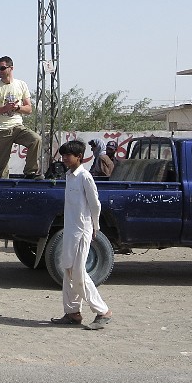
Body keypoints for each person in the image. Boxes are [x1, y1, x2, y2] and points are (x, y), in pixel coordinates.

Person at [51, 140, 112, 329]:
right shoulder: (69, 176)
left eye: (68, 155)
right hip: (70, 231)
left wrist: (95, 226)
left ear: (79, 157)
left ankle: (102, 311)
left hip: (82, 231)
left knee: (77, 273)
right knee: (67, 271)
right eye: (63, 155)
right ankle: (72, 313)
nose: (65, 159)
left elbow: (95, 204)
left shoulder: (85, 177)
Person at [0, 56, 42, 178]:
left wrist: (16, 108)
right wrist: (4, 108)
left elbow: (29, 109)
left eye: (2, 68)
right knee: (1, 169)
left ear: (11, 68)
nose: (0, 71)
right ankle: (1, 189)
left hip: (17, 126)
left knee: (35, 139)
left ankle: (30, 172)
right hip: (0, 130)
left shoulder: (21, 84)